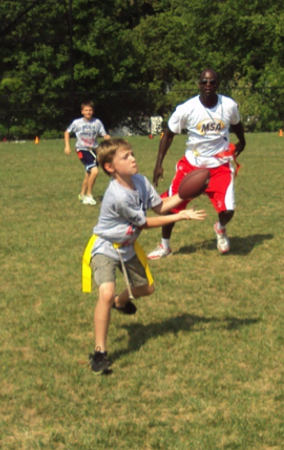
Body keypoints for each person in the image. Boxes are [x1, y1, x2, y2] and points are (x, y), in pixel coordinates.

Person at [83, 138, 205, 373]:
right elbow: (145, 223)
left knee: (146, 289)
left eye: (132, 154)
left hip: (128, 247)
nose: (133, 159)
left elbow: (159, 207)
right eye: (125, 157)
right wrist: (181, 216)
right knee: (105, 293)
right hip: (106, 247)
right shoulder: (117, 196)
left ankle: (120, 302)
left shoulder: (140, 181)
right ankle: (99, 353)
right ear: (110, 167)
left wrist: (184, 195)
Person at [147, 69, 246, 258]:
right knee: (169, 207)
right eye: (204, 82)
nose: (208, 85)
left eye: (212, 82)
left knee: (228, 211)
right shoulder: (186, 108)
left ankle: (220, 228)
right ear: (199, 84)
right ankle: (165, 246)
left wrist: (242, 141)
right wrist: (159, 164)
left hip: (220, 166)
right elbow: (168, 135)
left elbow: (236, 124)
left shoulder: (229, 105)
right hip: (192, 165)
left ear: (218, 84)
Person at [64, 101, 110, 205]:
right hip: (82, 149)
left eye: (90, 110)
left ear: (93, 111)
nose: (88, 112)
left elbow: (104, 134)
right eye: (86, 110)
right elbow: (67, 132)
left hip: (94, 150)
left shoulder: (97, 122)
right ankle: (89, 195)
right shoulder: (77, 122)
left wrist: (106, 137)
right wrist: (67, 146)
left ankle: (82, 194)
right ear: (82, 112)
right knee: (95, 171)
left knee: (89, 173)